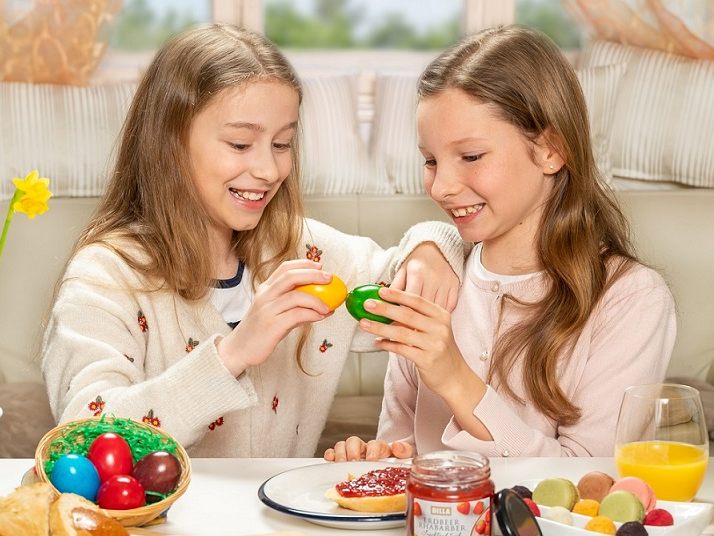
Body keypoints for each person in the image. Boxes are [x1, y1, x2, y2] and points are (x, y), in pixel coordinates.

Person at [41, 24, 466, 458]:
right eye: (241, 144)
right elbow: (82, 438)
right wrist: (234, 352)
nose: (268, 169)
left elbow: (410, 272)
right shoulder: (105, 277)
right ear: (168, 143)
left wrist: (433, 246)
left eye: (282, 143)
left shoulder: (303, 250)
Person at [324, 25, 676, 460]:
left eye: (471, 156)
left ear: (550, 149)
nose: (442, 187)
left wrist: (455, 379)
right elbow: (406, 447)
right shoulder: (430, 282)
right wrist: (379, 459)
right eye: (430, 160)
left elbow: (588, 485)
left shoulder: (630, 299)